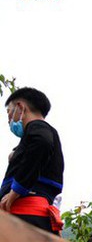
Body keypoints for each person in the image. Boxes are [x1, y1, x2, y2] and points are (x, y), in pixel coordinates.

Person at [2, 87, 64, 234]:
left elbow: (41, 142)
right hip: (35, 214)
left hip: (25, 214)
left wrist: (16, 191)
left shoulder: (37, 127)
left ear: (20, 107)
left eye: (9, 112)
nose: (9, 120)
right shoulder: (45, 133)